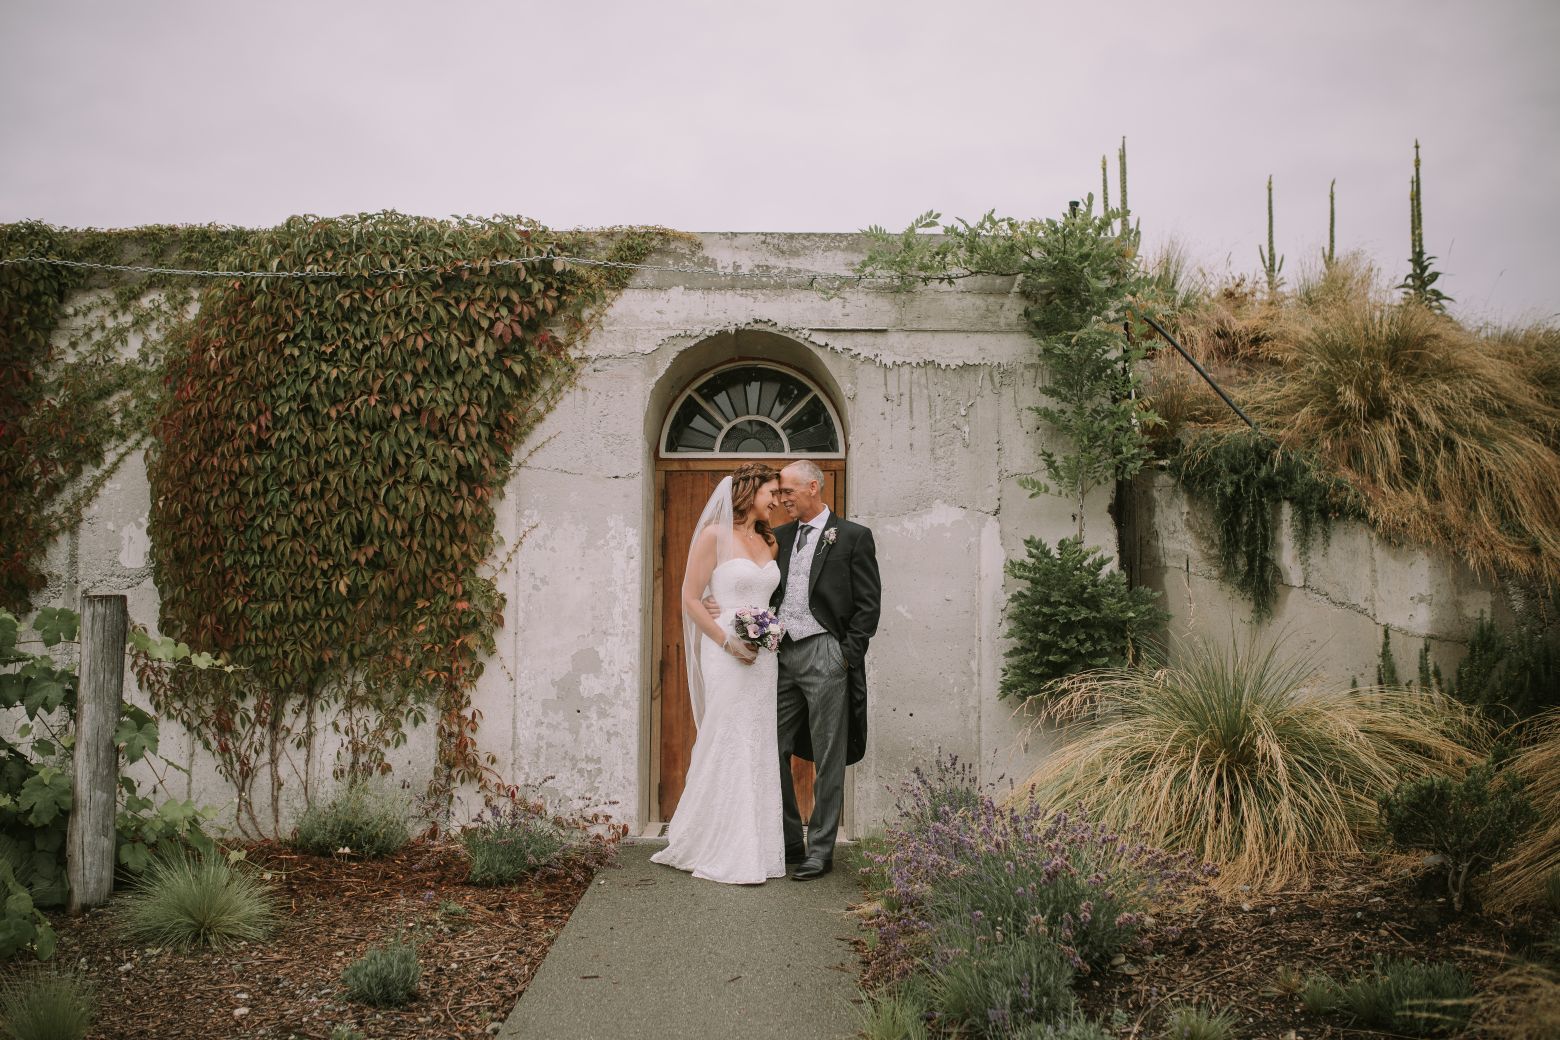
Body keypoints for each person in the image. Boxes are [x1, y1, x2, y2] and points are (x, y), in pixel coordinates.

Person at [650, 463, 786, 884]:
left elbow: (761, 597)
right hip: (725, 649)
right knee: (726, 735)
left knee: (758, 740)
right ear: (750, 491)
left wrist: (767, 633)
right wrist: (727, 639)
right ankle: (717, 844)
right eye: (772, 492)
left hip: (764, 656)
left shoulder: (770, 541)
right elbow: (690, 597)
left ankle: (758, 848)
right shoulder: (714, 535)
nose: (777, 500)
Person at [768, 460, 880, 880]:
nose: (782, 500)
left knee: (828, 754)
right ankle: (790, 840)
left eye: (789, 492)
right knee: (770, 747)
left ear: (813, 487)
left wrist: (845, 654)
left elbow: (869, 606)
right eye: (779, 494)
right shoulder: (777, 537)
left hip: (826, 652)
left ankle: (820, 848)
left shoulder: (852, 537)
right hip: (781, 656)